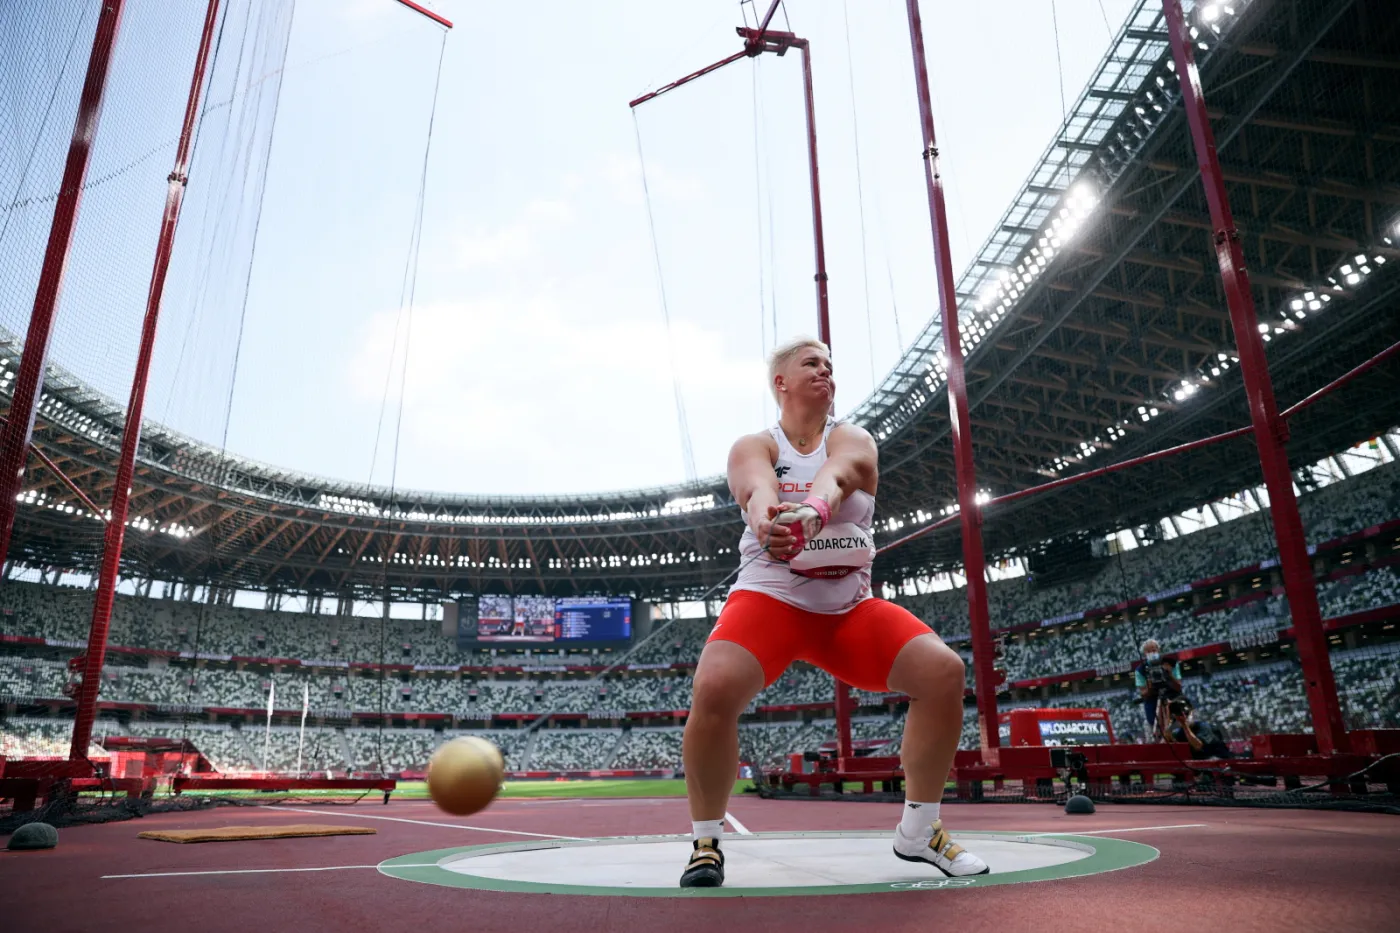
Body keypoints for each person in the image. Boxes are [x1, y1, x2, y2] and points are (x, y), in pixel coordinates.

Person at [678, 337, 986, 888]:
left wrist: (815, 512)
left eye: (829, 365)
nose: (825, 371)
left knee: (943, 672)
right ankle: (706, 843)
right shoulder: (754, 444)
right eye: (810, 364)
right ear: (781, 383)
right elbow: (754, 488)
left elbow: (840, 475)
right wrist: (767, 521)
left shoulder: (852, 437)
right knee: (715, 686)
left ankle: (920, 832)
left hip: (847, 609)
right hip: (771, 598)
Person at [1134, 638, 1183, 741]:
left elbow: (1179, 687)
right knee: (1157, 734)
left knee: (1177, 732)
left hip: (1172, 700)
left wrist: (1169, 675)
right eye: (1149, 651)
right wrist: (1150, 687)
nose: (1152, 652)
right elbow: (1143, 694)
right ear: (1144, 654)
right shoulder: (1141, 670)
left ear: (1159, 650)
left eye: (1154, 649)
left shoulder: (1171, 663)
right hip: (1153, 704)